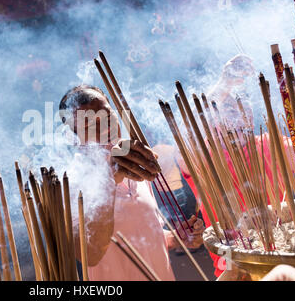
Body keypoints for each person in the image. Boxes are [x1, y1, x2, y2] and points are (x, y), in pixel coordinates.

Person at [59, 84, 205, 281]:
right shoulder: (71, 182)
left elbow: (143, 235)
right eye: (91, 125)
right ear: (73, 137)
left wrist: (177, 239)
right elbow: (89, 253)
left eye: (108, 116)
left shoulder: (135, 164)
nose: (106, 128)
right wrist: (109, 180)